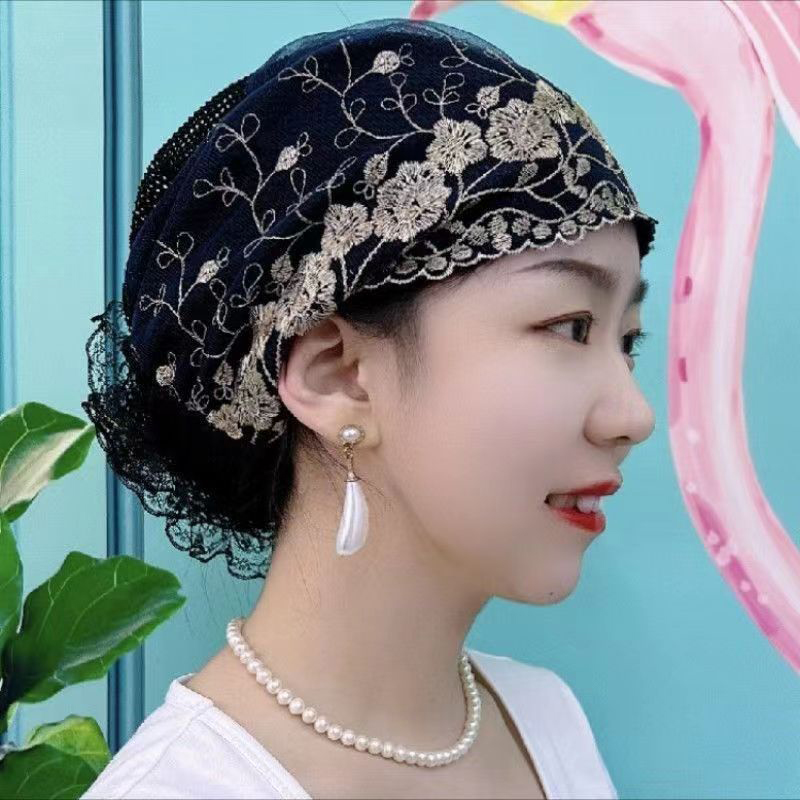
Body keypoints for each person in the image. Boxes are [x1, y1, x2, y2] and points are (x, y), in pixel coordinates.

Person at [80, 16, 658, 800]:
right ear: (337, 375)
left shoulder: (544, 719)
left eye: (628, 339)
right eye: (569, 327)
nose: (633, 416)